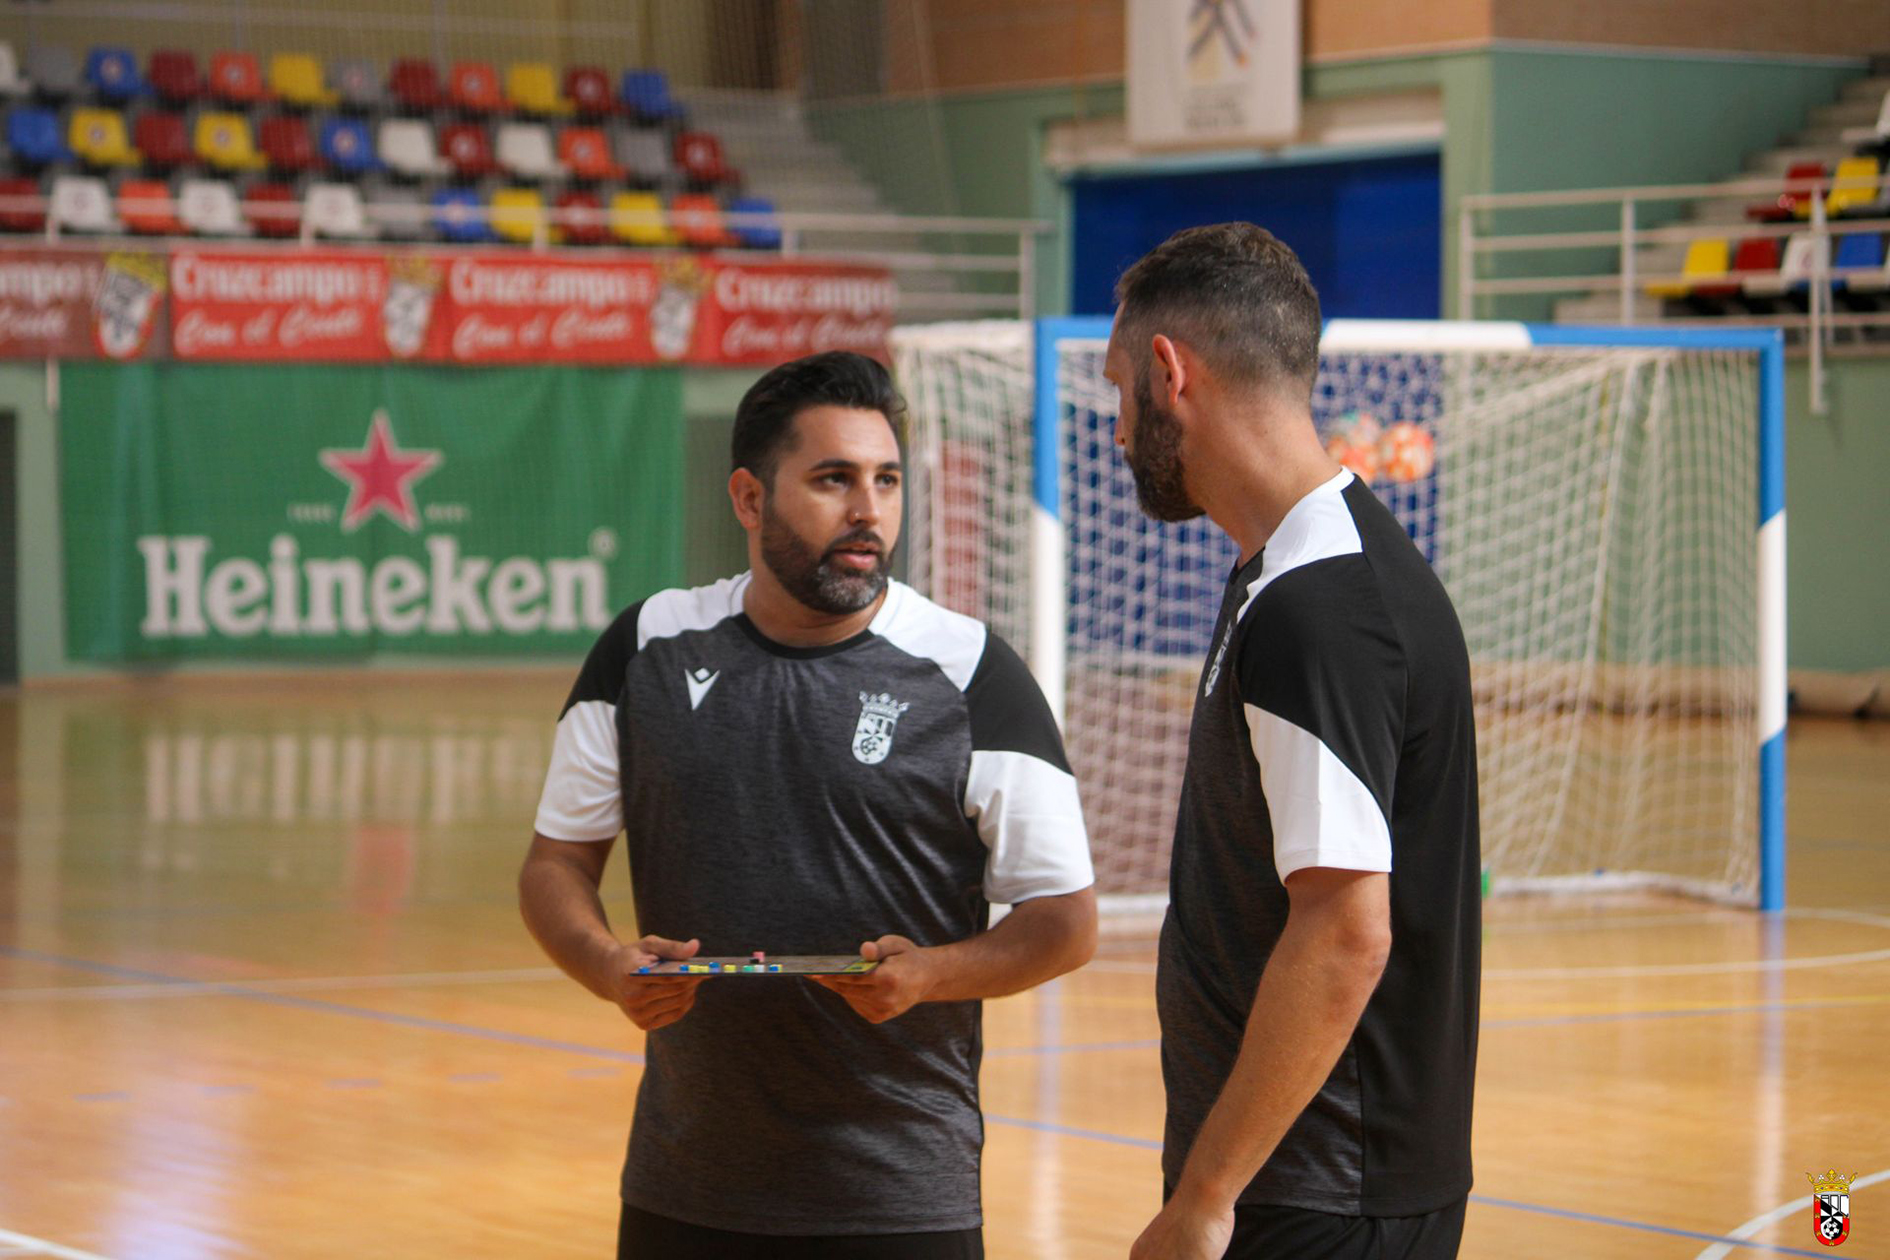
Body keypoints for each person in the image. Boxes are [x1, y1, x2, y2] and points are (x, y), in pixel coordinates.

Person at [518, 350, 1097, 1260]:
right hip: (684, 1188)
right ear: (749, 500)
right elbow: (556, 863)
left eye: (887, 480)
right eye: (834, 480)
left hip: (901, 1199)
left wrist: (933, 975)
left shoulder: (973, 671)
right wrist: (605, 964)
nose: (869, 511)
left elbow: (1066, 921)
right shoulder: (645, 648)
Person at [1108, 224, 1481, 1260]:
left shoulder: (1322, 609)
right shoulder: (1297, 571)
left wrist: (1205, 1198)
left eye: (1118, 391)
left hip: (1320, 1192)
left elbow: (1345, 933)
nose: (1117, 428)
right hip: (1321, 1176)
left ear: (1168, 372)